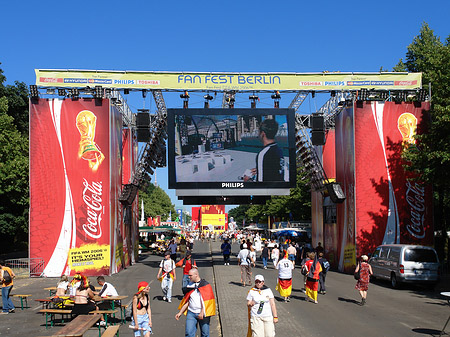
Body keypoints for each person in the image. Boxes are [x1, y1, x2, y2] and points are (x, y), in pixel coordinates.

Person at [175, 268, 216, 337]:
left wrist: (202, 312)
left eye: (190, 275)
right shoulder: (189, 285)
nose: (188, 277)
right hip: (191, 313)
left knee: (205, 334)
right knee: (189, 333)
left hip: (203, 314)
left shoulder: (205, 285)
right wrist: (180, 312)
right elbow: (188, 301)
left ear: (196, 275)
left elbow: (207, 301)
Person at [243, 118, 284, 182]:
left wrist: (247, 180)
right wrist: (261, 169)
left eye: (258, 132)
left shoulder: (263, 153)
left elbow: (260, 185)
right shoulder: (278, 150)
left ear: (263, 133)